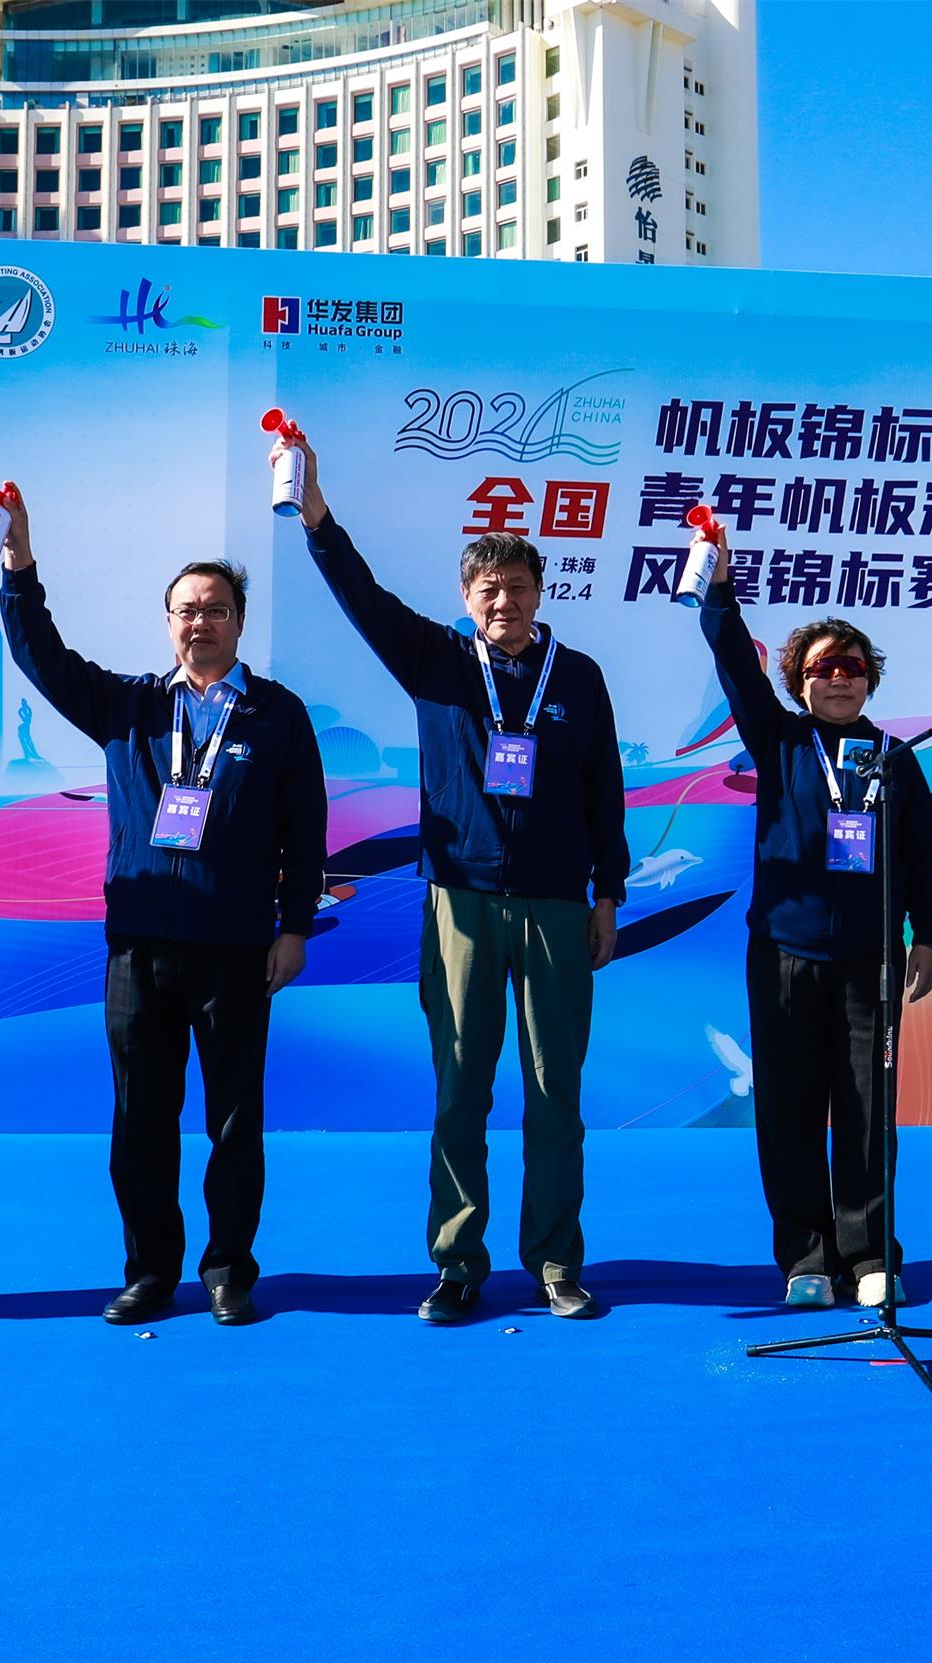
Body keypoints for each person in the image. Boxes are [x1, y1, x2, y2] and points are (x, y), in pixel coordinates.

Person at [287, 429, 628, 1325]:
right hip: (461, 904)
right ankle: (458, 1263)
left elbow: (605, 791)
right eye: (488, 589)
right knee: (460, 1089)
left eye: (517, 586)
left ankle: (555, 1260)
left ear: (541, 592)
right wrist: (315, 514)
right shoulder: (437, 662)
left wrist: (607, 894)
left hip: (557, 905)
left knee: (555, 1093)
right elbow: (361, 596)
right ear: (466, 598)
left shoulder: (579, 677)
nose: (503, 601)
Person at [0, 484, 327, 1325]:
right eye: (186, 611)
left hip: (237, 946)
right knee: (140, 1118)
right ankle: (148, 1271)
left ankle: (228, 1271)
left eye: (216, 610)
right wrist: (18, 565)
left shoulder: (278, 714)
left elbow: (306, 832)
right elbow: (41, 657)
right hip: (139, 949)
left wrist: (292, 929)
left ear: (239, 621)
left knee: (233, 1121)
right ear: (167, 621)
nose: (199, 623)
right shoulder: (131, 706)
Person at [696, 538, 932, 1309]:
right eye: (822, 668)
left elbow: (919, 855)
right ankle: (805, 1256)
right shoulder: (779, 741)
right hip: (784, 954)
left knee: (868, 1112)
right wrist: (719, 590)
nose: (838, 678)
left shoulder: (894, 758)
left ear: (870, 679)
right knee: (788, 1109)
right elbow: (733, 663)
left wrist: (927, 937)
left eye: (852, 667)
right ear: (798, 682)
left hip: (870, 960)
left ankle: (868, 1255)